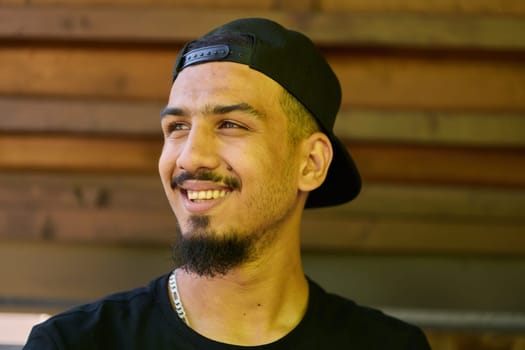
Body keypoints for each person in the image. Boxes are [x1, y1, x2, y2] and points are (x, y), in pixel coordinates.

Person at [24, 18, 431, 349]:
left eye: (231, 124)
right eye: (177, 127)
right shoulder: (73, 344)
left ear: (310, 163)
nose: (190, 157)